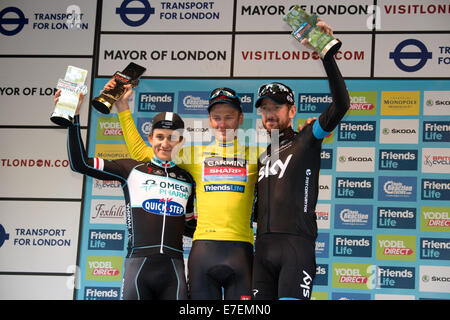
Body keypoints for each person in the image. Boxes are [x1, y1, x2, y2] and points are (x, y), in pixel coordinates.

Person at [111, 84, 259, 299]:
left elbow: (289, 162)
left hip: (242, 251)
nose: (223, 123)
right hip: (204, 251)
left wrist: (305, 134)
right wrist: (123, 106)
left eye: (229, 117)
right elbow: (140, 151)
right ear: (210, 120)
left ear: (240, 118)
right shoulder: (193, 154)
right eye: (217, 117)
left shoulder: (258, 154)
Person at [59, 90, 196, 300]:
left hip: (174, 271)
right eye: (160, 137)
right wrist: (72, 116)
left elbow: (189, 227)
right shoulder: (132, 169)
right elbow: (81, 164)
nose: (165, 143)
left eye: (172, 138)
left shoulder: (187, 179)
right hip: (138, 268)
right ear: (150, 138)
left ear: (180, 142)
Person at [252, 20, 350, 300]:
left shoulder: (307, 138)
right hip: (262, 252)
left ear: (291, 110)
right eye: (264, 109)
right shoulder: (261, 156)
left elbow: (341, 105)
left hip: (295, 248)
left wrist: (326, 55)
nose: (269, 114)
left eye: (276, 107)